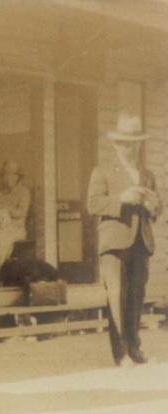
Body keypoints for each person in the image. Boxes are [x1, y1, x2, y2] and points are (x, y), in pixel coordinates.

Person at [87, 115, 162, 367]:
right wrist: (122, 198)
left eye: (135, 144)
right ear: (116, 144)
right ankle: (120, 354)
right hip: (115, 244)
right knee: (117, 297)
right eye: (125, 144)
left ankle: (135, 349)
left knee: (136, 298)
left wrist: (154, 205)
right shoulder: (103, 172)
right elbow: (93, 204)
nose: (130, 149)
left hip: (141, 243)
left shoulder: (147, 174)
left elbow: (158, 207)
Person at [0, 159, 31, 276]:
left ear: (17, 177)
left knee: (0, 240)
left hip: (16, 229)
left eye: (12, 175)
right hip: (0, 227)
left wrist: (4, 208)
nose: (8, 178)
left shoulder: (24, 192)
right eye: (6, 175)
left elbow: (21, 213)